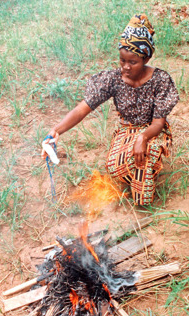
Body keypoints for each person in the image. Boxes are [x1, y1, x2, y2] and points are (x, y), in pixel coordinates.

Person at [41, 14, 179, 206]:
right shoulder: (113, 79)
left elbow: (158, 123)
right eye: (122, 60)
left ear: (146, 57)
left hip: (152, 130)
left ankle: (145, 184)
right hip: (127, 129)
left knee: (145, 157)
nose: (126, 67)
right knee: (115, 167)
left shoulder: (160, 80)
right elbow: (82, 109)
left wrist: (143, 138)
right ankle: (137, 174)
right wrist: (56, 130)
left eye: (133, 62)